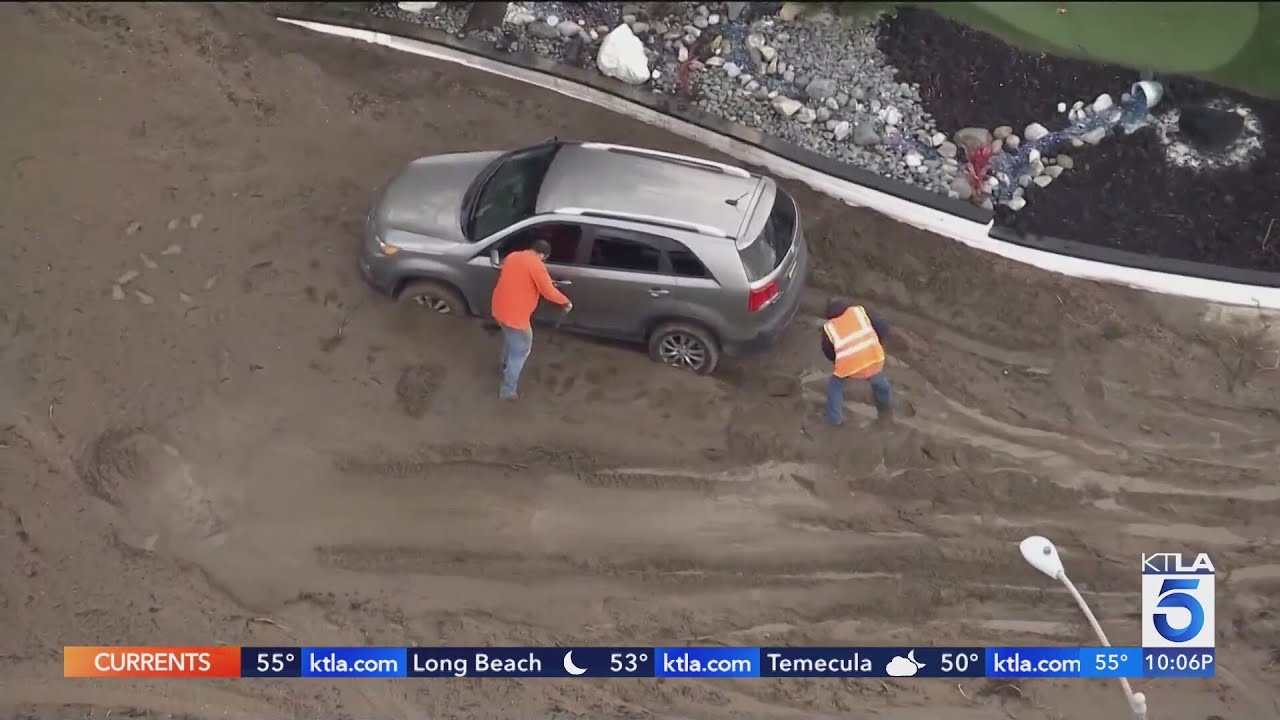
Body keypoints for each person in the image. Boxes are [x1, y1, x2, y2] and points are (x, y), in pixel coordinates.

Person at [490, 238, 572, 400]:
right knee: (520, 352)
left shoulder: (513, 256)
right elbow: (548, 291)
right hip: (516, 317)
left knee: (510, 339)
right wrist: (565, 301)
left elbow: (521, 278)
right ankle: (508, 392)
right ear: (542, 255)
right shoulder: (536, 265)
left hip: (499, 309)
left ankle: (504, 365)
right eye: (545, 258)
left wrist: (545, 282)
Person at [820, 298, 893, 426]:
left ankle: (835, 419)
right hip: (872, 357)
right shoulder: (859, 312)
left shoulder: (829, 327)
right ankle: (884, 408)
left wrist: (839, 361)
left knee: (835, 387)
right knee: (880, 383)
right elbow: (883, 327)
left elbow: (828, 351)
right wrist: (875, 343)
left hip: (849, 365)